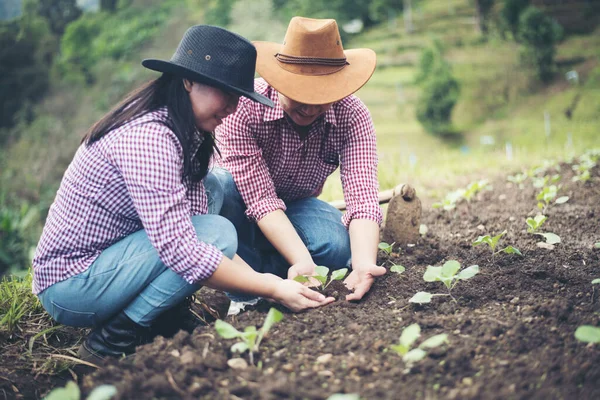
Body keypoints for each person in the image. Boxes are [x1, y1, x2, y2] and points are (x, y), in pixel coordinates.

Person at [32, 25, 334, 364]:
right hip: (73, 285)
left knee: (213, 191)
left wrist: (258, 282)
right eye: (226, 93)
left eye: (239, 98)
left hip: (114, 263)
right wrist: (272, 286)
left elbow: (192, 231)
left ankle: (162, 314)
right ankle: (115, 337)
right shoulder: (150, 139)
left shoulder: (185, 131)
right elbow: (183, 248)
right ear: (188, 81)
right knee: (216, 234)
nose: (233, 108)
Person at [212, 17, 387, 302]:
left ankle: (269, 271)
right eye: (298, 93)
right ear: (278, 81)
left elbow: (363, 195)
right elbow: (261, 200)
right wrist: (302, 258)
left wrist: (364, 262)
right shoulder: (243, 107)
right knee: (221, 185)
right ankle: (248, 283)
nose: (310, 107)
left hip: (295, 204)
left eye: (322, 95)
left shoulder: (352, 115)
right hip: (237, 204)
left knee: (338, 248)